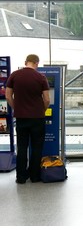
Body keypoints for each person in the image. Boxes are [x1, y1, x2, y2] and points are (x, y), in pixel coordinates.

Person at [6, 54, 50, 184]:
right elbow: (47, 99)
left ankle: (21, 177)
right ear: (36, 63)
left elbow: (8, 96)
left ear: (26, 62)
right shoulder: (41, 77)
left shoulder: (14, 75)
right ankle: (35, 176)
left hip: (21, 118)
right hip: (37, 118)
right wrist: (42, 110)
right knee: (37, 147)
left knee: (22, 147)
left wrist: (17, 108)